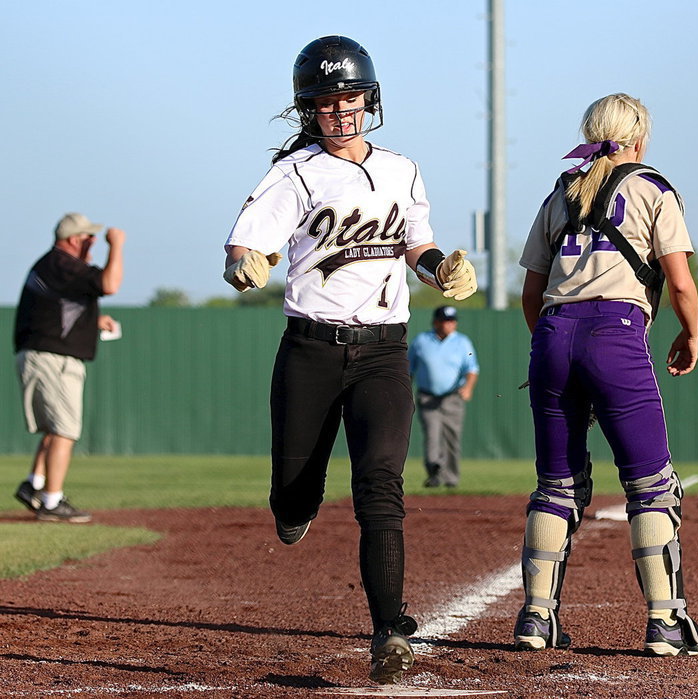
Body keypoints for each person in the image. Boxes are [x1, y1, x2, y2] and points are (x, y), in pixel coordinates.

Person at [221, 35, 477, 685]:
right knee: (293, 495)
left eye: (351, 98)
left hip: (383, 352)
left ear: (371, 99)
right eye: (327, 101)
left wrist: (439, 267)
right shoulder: (295, 172)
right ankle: (293, 504)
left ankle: (390, 630)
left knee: (380, 490)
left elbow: (416, 244)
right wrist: (244, 265)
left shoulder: (402, 169)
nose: (341, 110)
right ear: (309, 109)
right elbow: (248, 247)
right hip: (310, 347)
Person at [515, 93, 698, 657]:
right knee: (652, 485)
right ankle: (666, 623)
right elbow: (679, 283)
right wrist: (691, 334)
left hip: (554, 335)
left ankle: (535, 618)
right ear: (640, 137)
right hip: (618, 334)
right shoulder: (652, 186)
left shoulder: (562, 190)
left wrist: (552, 349)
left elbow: (532, 291)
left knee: (556, 485)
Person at [14, 212, 125, 523]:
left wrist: (93, 322)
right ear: (75, 239)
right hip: (51, 359)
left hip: (44, 354)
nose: (93, 241)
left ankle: (34, 484)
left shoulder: (54, 266)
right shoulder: (61, 264)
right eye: (89, 237)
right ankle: (51, 502)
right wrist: (116, 245)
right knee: (64, 429)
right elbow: (110, 284)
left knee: (54, 427)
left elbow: (58, 310)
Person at [408, 305, 479, 488]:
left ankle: (451, 478)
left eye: (452, 321)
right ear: (436, 321)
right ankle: (434, 472)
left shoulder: (462, 342)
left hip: (452, 397)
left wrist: (468, 388)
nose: (449, 324)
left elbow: (472, 369)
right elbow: (409, 369)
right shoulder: (422, 341)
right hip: (427, 396)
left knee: (452, 437)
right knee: (432, 435)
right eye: (446, 321)